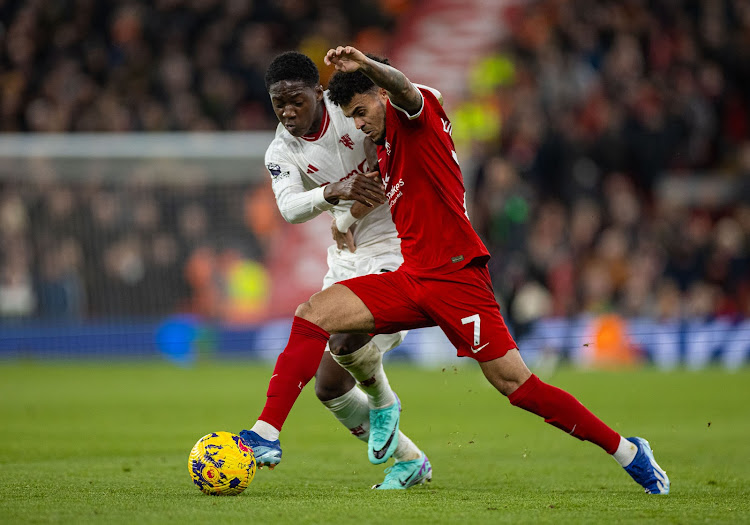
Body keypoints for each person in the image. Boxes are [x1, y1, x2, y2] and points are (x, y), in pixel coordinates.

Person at [243, 46, 670, 495]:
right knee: (313, 314)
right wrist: (344, 220)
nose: (358, 124)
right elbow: (376, 196)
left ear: (380, 95)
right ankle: (267, 434)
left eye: (362, 112)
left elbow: (406, 89)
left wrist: (369, 67)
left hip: (458, 278)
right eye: (350, 117)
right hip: (411, 279)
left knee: (517, 386)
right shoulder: (383, 148)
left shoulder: (417, 118)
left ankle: (627, 450)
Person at [239, 51, 432, 490]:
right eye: (278, 103)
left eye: (296, 100)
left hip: (400, 247)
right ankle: (410, 460)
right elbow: (289, 207)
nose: (288, 111)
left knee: (344, 335)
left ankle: (374, 403)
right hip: (347, 256)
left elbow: (394, 174)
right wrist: (334, 194)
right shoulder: (280, 149)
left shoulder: (352, 113)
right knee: (329, 387)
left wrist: (345, 214)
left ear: (318, 93)